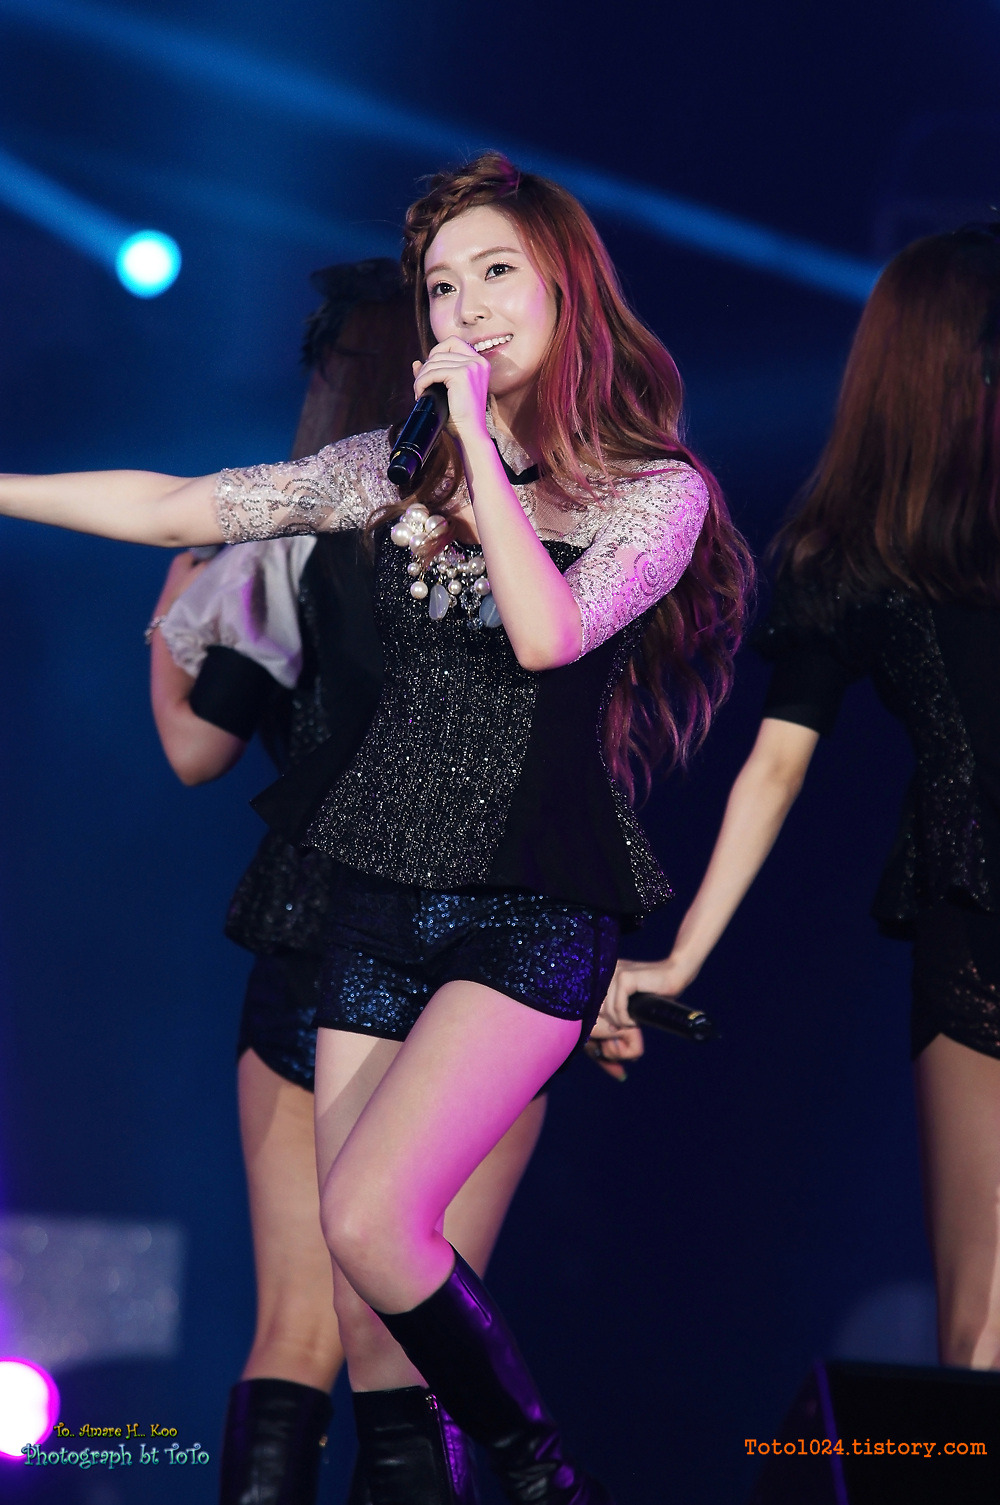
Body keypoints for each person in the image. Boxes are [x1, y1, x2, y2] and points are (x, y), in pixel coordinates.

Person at [0, 152, 752, 1502]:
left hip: (530, 906)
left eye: (496, 273)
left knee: (367, 1211)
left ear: (568, 287)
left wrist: (474, 455)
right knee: (357, 1305)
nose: (466, 307)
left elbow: (546, 632)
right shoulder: (385, 473)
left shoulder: (653, 492)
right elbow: (177, 506)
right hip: (373, 896)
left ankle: (541, 1470)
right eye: (442, 288)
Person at [150, 259, 626, 1504]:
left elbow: (195, 746)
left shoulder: (291, 540)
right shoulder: (527, 530)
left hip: (318, 916)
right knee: (406, 1329)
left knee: (303, 1324)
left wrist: (167, 615)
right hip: (488, 921)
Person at [602, 222, 1000, 1374]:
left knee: (982, 1322)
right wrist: (680, 955)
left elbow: (775, 768)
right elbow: (773, 767)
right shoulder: (859, 552)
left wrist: (682, 955)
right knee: (980, 1324)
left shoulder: (859, 548)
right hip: (969, 901)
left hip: (968, 901)